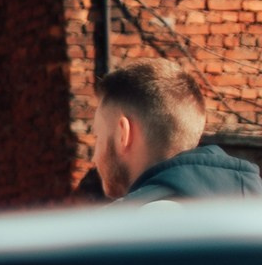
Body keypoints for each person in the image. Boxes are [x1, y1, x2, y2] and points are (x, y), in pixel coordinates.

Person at [88, 59, 262, 203]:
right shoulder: (252, 209)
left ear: (122, 135)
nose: (94, 158)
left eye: (98, 137)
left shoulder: (120, 232)